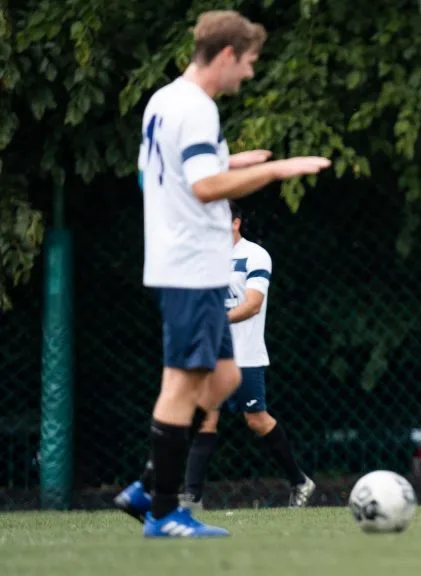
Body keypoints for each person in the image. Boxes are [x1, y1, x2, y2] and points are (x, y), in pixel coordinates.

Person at [114, 10, 330, 538]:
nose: (250, 74)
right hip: (189, 263)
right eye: (250, 62)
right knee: (182, 382)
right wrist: (275, 170)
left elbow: (155, 174)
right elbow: (203, 188)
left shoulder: (164, 101)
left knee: (224, 378)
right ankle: (162, 508)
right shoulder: (196, 108)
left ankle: (148, 485)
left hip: (193, 261)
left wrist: (230, 160)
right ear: (228, 55)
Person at [178, 201, 316, 510]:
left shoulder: (255, 255)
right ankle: (192, 497)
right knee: (205, 419)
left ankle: (299, 481)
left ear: (235, 222)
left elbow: (253, 304)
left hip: (246, 356)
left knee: (256, 420)